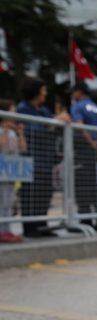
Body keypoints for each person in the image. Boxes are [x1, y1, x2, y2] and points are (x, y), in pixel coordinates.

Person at [17, 77, 70, 237]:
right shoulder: (23, 109)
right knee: (30, 194)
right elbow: (33, 129)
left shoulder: (44, 110)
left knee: (45, 194)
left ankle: (42, 225)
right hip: (31, 160)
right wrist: (54, 121)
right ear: (36, 91)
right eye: (43, 90)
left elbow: (51, 128)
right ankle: (30, 228)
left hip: (46, 160)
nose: (45, 94)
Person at [70, 81, 97, 232]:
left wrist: (92, 143)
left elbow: (80, 126)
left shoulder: (78, 106)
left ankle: (86, 221)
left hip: (84, 151)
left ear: (79, 92)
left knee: (84, 188)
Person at [0, 100, 27, 243]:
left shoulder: (13, 132)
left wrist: (20, 133)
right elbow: (1, 145)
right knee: (1, 201)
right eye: (12, 111)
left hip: (11, 172)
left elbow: (23, 149)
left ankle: (7, 229)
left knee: (9, 202)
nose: (14, 115)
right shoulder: (3, 131)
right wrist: (4, 129)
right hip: (2, 170)